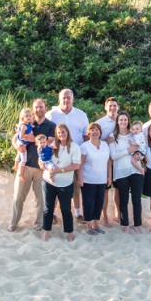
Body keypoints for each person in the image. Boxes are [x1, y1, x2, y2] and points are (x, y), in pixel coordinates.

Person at [8, 97, 56, 232]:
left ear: (45, 108)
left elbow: (51, 142)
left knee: (41, 200)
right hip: (26, 167)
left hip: (42, 169)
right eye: (36, 107)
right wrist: (17, 145)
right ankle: (13, 223)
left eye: (41, 107)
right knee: (18, 197)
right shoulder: (27, 121)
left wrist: (33, 139)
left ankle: (38, 225)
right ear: (33, 108)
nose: (38, 109)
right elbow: (15, 137)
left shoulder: (51, 125)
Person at [49, 89, 90, 221]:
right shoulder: (51, 115)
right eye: (63, 98)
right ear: (59, 99)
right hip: (57, 156)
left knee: (76, 186)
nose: (66, 100)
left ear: (73, 99)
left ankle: (78, 213)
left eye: (68, 98)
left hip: (75, 156)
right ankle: (54, 214)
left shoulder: (81, 115)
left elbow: (86, 137)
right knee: (55, 184)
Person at [42, 122, 81, 242]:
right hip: (49, 181)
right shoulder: (52, 145)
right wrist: (48, 168)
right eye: (59, 133)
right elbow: (43, 160)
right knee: (48, 208)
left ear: (67, 132)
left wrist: (60, 170)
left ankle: (69, 232)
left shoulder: (74, 147)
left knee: (66, 208)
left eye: (63, 132)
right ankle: (46, 232)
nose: (61, 134)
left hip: (65, 183)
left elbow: (76, 165)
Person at [110, 111, 146, 234]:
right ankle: (125, 224)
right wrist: (128, 150)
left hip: (135, 171)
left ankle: (137, 225)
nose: (123, 122)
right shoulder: (113, 136)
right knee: (123, 200)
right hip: (120, 172)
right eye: (121, 120)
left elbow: (142, 148)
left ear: (128, 121)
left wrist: (139, 156)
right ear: (117, 122)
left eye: (125, 120)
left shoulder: (134, 134)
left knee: (136, 199)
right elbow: (113, 156)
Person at [79, 123, 112, 236]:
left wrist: (109, 177)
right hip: (88, 180)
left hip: (102, 180)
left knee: (99, 203)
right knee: (89, 203)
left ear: (100, 132)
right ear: (88, 133)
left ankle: (96, 225)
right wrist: (80, 178)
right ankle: (89, 226)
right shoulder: (84, 146)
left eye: (97, 130)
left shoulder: (105, 145)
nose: (95, 132)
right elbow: (81, 163)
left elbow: (109, 161)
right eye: (92, 130)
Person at [96, 97, 121, 226]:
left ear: (118, 107)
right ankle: (104, 215)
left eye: (115, 106)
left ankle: (117, 214)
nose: (112, 108)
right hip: (106, 162)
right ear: (105, 107)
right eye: (110, 106)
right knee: (105, 190)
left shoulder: (123, 121)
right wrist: (105, 141)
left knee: (118, 189)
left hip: (120, 161)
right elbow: (92, 141)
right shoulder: (99, 123)